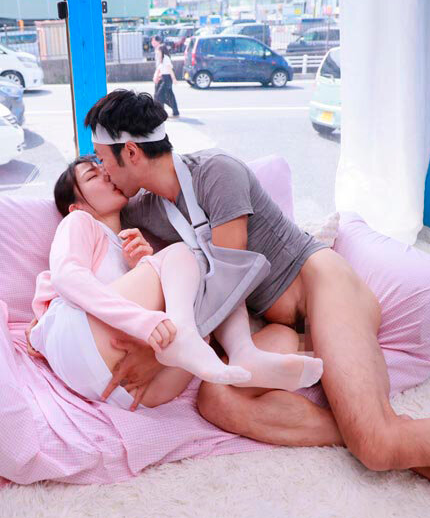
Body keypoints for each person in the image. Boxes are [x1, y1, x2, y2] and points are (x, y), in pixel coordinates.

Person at [83, 89, 430, 501]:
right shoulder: (146, 210)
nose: (103, 171)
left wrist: (164, 352)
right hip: (280, 325)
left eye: (103, 160)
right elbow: (106, 235)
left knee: (376, 447)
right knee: (218, 398)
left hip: (323, 288)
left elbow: (228, 281)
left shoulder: (217, 173)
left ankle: (390, 438)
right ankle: (410, 444)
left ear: (132, 152)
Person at [27, 156, 324, 411]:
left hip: (123, 392)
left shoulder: (128, 244)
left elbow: (135, 295)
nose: (106, 174)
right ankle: (231, 347)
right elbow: (67, 276)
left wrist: (141, 264)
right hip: (79, 340)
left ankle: (244, 356)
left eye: (104, 168)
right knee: (187, 255)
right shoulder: (79, 222)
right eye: (93, 176)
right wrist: (146, 322)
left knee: (202, 310)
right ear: (76, 207)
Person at [153, 44, 180, 117]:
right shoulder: (161, 59)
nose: (157, 53)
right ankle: (175, 112)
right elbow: (162, 69)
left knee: (159, 95)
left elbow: (170, 70)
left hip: (167, 79)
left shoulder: (166, 58)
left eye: (158, 51)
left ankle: (163, 113)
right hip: (164, 78)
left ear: (162, 51)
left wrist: (174, 79)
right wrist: (158, 76)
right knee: (170, 96)